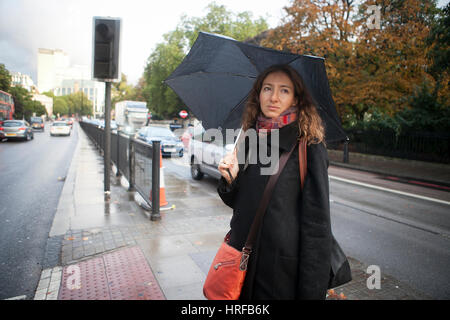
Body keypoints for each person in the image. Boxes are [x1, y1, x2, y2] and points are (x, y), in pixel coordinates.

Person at [217, 64, 332, 300]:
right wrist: (230, 178)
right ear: (258, 93)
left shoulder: (308, 145)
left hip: (279, 272)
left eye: (284, 90)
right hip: (242, 259)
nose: (274, 97)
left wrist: (312, 292)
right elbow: (242, 204)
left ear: (296, 98)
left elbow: (317, 226)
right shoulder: (249, 137)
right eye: (267, 88)